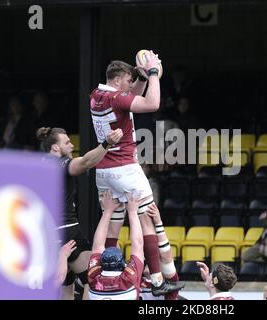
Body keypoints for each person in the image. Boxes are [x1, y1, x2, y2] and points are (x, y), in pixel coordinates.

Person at [90, 53, 183, 295]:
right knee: (147, 218)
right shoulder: (117, 97)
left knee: (113, 221)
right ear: (119, 80)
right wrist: (153, 74)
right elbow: (151, 104)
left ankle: (105, 273)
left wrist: (139, 77)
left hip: (104, 170)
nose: (132, 85)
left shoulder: (96, 95)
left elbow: (130, 97)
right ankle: (157, 279)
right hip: (125, 168)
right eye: (129, 80)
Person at [37, 126, 123, 299]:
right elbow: (85, 163)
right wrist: (106, 143)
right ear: (55, 148)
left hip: (48, 233)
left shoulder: (39, 165)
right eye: (67, 142)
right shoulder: (59, 164)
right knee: (92, 280)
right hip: (67, 230)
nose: (71, 145)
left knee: (66, 286)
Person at [87, 191, 143, 300]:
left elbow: (98, 246)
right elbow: (137, 243)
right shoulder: (127, 280)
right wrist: (132, 212)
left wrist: (107, 212)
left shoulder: (94, 279)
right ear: (122, 264)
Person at [139, 203, 185, 300]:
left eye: (156, 258)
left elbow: (166, 257)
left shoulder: (132, 281)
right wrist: (158, 223)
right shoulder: (172, 286)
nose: (151, 259)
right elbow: (166, 257)